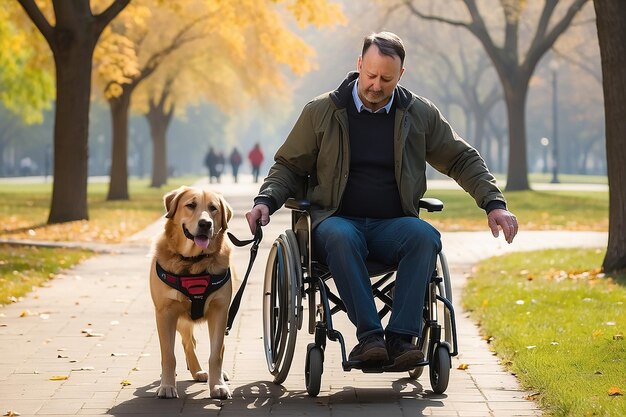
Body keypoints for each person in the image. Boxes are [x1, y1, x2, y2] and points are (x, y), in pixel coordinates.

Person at [245, 32, 518, 369]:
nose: (375, 85)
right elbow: (289, 165)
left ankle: (402, 340)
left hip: (392, 225)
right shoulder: (322, 112)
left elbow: (461, 158)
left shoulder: (418, 114)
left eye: (386, 79)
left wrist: (494, 203)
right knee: (340, 236)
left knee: (425, 236)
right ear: (359, 65)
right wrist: (266, 200)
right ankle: (371, 338)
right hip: (337, 221)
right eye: (370, 75)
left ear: (401, 75)